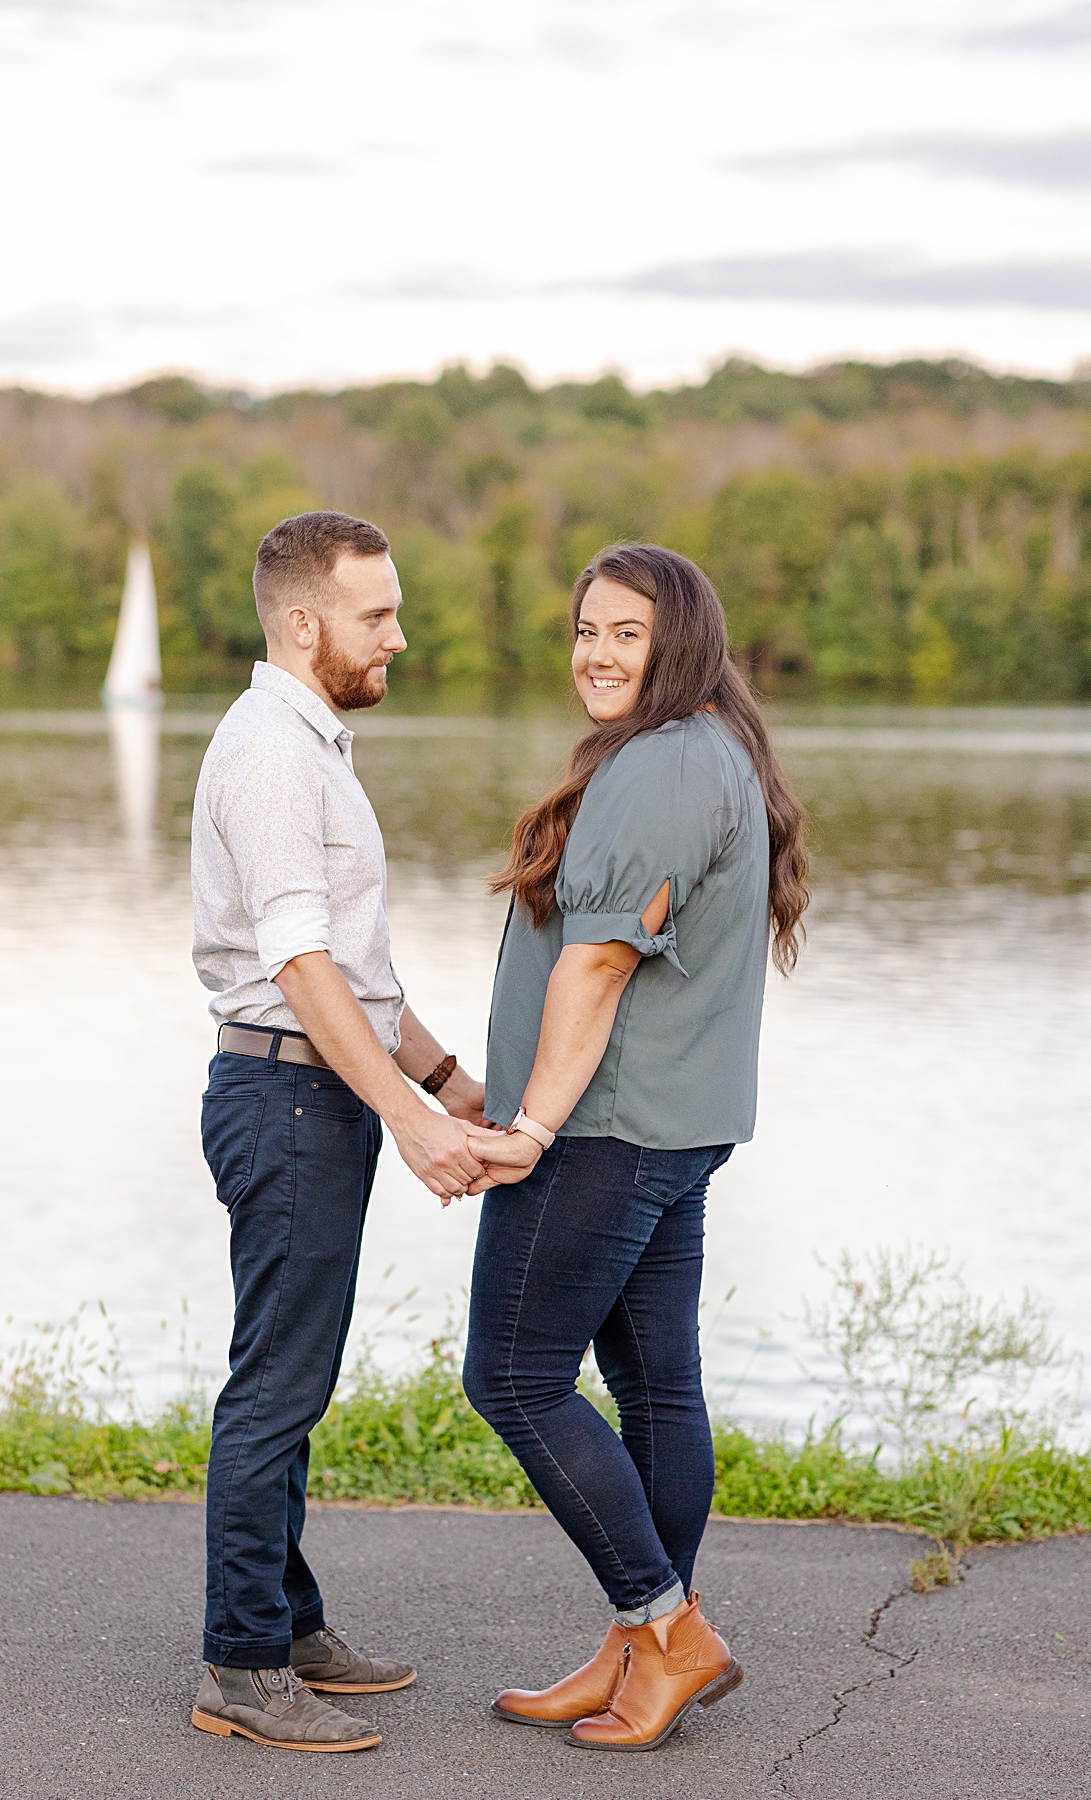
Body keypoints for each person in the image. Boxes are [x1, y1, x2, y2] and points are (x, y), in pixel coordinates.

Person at [461, 542, 809, 1752]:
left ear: (681, 644)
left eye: (626, 634)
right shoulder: (709, 748)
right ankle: (637, 1654)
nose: (598, 656)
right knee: (656, 1382)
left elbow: (600, 962)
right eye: (586, 631)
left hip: (604, 1132)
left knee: (510, 1376)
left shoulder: (666, 765)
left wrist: (530, 1129)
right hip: (670, 1130)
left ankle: (666, 1628)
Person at [189, 511, 487, 1755]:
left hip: (319, 1089)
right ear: (304, 623)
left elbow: (354, 968)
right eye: (379, 615)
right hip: (289, 1096)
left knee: (294, 1376)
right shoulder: (272, 753)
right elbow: (301, 965)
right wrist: (407, 1118)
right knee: (277, 1383)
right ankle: (243, 1668)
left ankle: (289, 1621)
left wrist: (446, 1074)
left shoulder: (312, 744)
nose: (401, 637)